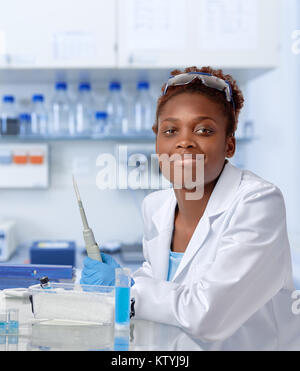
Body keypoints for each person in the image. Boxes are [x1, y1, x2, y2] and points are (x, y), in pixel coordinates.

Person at [81, 66, 294, 342]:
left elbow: (208, 316)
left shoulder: (258, 202)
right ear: (157, 142)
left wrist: (125, 289)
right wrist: (123, 278)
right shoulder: (155, 206)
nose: (184, 142)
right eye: (170, 130)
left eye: (204, 130)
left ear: (229, 145)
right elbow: (162, 281)